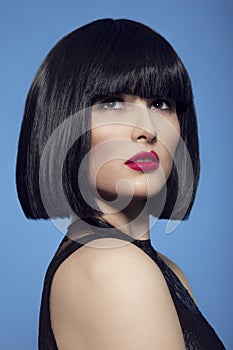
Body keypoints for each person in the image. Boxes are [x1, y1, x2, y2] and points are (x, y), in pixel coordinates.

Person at [16, 18, 226, 350]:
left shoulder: (162, 269)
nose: (147, 129)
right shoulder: (113, 269)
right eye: (112, 103)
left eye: (160, 104)